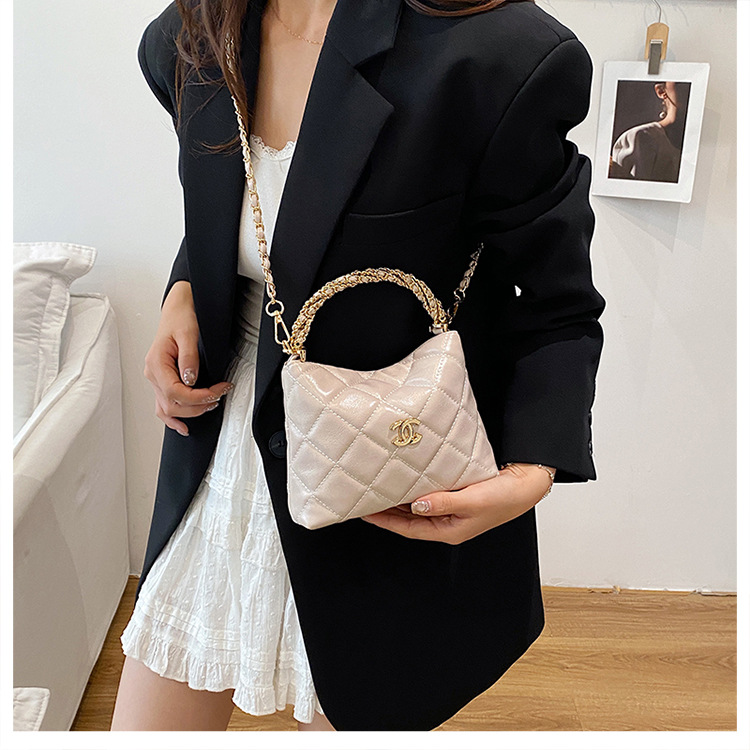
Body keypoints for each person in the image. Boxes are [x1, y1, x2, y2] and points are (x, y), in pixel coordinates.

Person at [111, 0, 606, 732]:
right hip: (219, 464)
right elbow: (249, 207)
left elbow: (557, 303)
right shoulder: (194, 32)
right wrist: (184, 287)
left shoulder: (498, 55)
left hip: (379, 483)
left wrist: (533, 469)